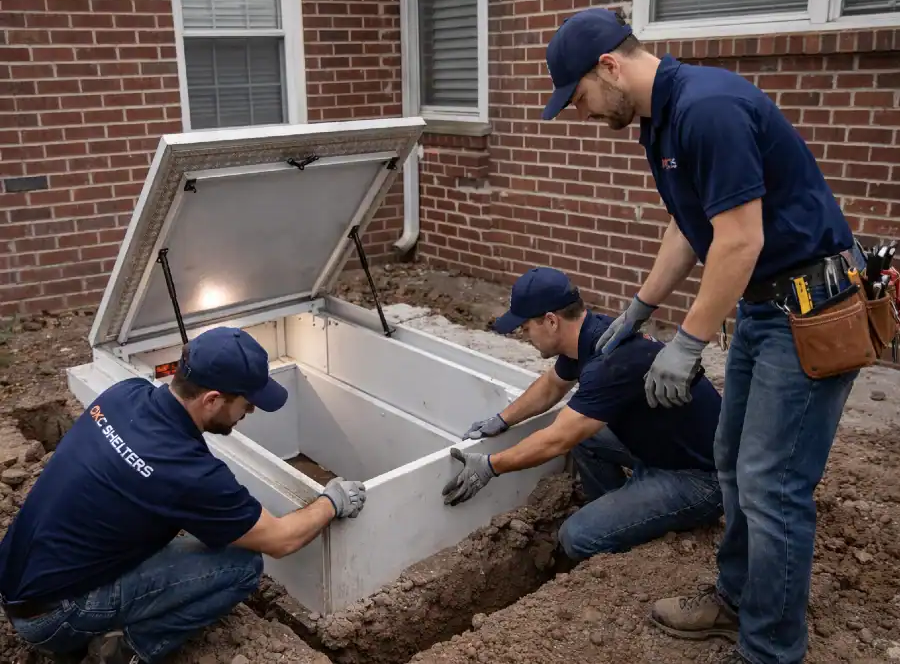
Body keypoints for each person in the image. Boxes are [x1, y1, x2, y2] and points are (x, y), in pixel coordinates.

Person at [540, 7, 867, 664]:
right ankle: (738, 596)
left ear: (609, 66)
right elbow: (691, 224)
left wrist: (687, 343)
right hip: (766, 307)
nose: (579, 111)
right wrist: (641, 305)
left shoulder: (708, 109)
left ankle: (769, 648)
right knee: (732, 459)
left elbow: (740, 239)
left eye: (577, 97)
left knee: (772, 482)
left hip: (807, 308)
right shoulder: (661, 119)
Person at [0, 326, 367, 664]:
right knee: (242, 566)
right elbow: (281, 541)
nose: (251, 410)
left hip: (17, 580)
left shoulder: (124, 395)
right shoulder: (187, 472)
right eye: (246, 402)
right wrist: (330, 502)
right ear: (211, 400)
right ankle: (123, 650)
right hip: (54, 618)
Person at [441, 266, 724, 560]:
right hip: (668, 450)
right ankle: (618, 512)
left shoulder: (608, 365)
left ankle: (620, 532)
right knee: (588, 436)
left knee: (576, 537)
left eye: (526, 328)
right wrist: (502, 420)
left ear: (551, 321)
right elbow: (553, 385)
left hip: (701, 478)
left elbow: (557, 440)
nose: (525, 336)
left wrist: (491, 465)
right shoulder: (594, 333)